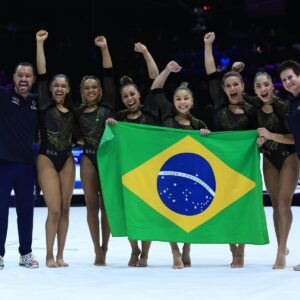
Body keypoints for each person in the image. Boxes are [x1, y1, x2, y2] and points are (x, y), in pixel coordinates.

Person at [204, 32, 257, 268]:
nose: (232, 88)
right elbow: (210, 73)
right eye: (228, 86)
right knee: (224, 205)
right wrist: (208, 45)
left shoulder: (252, 106)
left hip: (245, 165)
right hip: (221, 164)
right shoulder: (218, 104)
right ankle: (232, 248)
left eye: (236, 84)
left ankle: (241, 250)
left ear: (243, 86)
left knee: (242, 207)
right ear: (224, 90)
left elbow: (261, 128)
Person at [150, 60, 210, 269]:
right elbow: (156, 88)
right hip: (169, 172)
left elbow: (210, 150)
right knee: (170, 212)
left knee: (188, 213)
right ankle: (175, 251)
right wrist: (166, 70)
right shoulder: (167, 115)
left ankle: (187, 247)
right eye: (178, 99)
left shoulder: (198, 124)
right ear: (173, 101)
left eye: (186, 99)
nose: (182, 102)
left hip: (192, 175)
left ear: (192, 102)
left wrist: (206, 135)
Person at [107, 42, 160, 267]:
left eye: (133, 94)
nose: (130, 98)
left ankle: (145, 253)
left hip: (149, 171)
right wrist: (111, 126)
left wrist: (146, 52)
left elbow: (155, 79)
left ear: (139, 95)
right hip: (128, 172)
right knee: (130, 212)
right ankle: (134, 249)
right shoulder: (118, 118)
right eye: (126, 96)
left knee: (146, 212)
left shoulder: (149, 111)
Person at [251, 70, 299, 269]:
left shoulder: (285, 106)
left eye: (266, 84)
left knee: (284, 202)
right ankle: (282, 245)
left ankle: (281, 252)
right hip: (269, 158)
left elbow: (295, 138)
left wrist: (271, 136)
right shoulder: (253, 108)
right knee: (274, 203)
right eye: (258, 86)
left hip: (289, 157)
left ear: (273, 86)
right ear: (254, 90)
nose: (263, 89)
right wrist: (259, 141)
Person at [36, 30, 75, 267]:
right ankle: (49, 254)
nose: (59, 88)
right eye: (56, 85)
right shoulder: (43, 104)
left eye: (63, 86)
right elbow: (41, 74)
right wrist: (40, 43)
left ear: (69, 90)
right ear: (50, 89)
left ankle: (61, 255)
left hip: (68, 159)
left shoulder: (74, 112)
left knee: (66, 208)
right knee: (54, 208)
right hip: (47, 158)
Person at [75, 35, 115, 266]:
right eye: (87, 88)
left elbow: (108, 73)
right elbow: (71, 133)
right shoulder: (78, 112)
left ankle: (105, 246)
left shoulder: (108, 105)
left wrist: (104, 48)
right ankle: (96, 250)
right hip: (89, 157)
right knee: (91, 205)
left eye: (94, 87)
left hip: (107, 158)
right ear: (82, 92)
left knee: (106, 206)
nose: (91, 91)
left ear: (100, 91)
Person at [0, 61, 39, 269]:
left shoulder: (36, 102)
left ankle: (26, 253)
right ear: (13, 78)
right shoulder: (3, 96)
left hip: (26, 166)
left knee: (26, 211)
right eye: (20, 75)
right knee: (0, 211)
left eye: (28, 75)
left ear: (33, 79)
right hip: (3, 165)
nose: (24, 79)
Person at [276, 59, 300, 271]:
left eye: (291, 77)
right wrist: (272, 135)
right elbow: (294, 137)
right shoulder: (292, 103)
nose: (288, 82)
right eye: (284, 80)